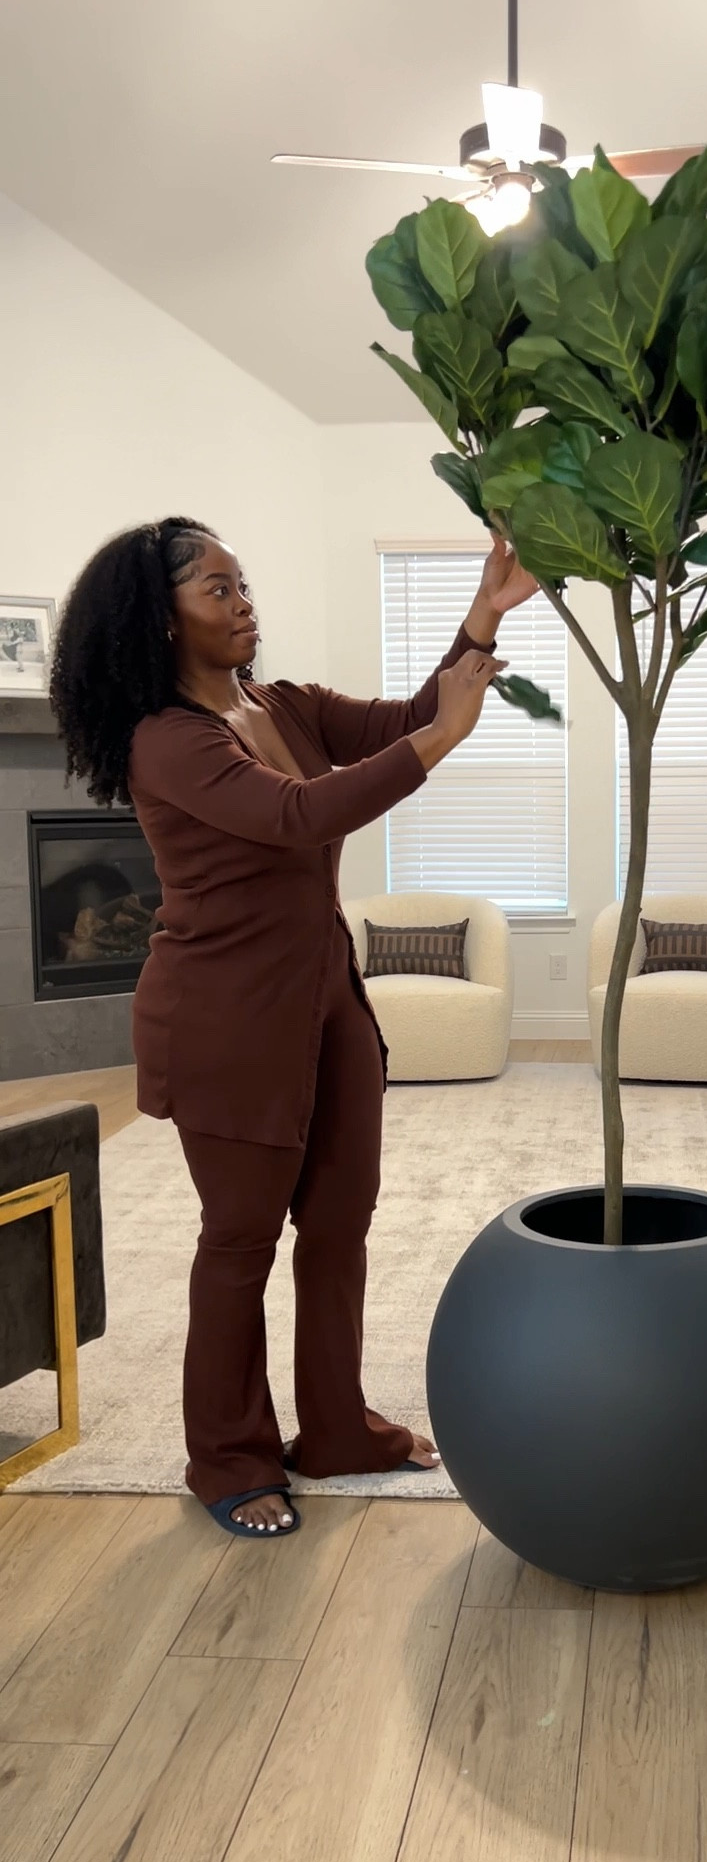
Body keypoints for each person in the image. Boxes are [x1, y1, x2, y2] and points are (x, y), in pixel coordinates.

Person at [49, 515, 538, 1537]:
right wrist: (441, 741)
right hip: (225, 1021)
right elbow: (297, 816)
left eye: (243, 584)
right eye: (217, 589)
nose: (244, 603)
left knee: (340, 1222)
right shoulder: (166, 740)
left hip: (327, 1000)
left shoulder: (282, 704)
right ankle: (228, 1457)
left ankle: (337, 1430)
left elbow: (412, 713)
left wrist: (483, 617)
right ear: (161, 618)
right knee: (240, 1240)